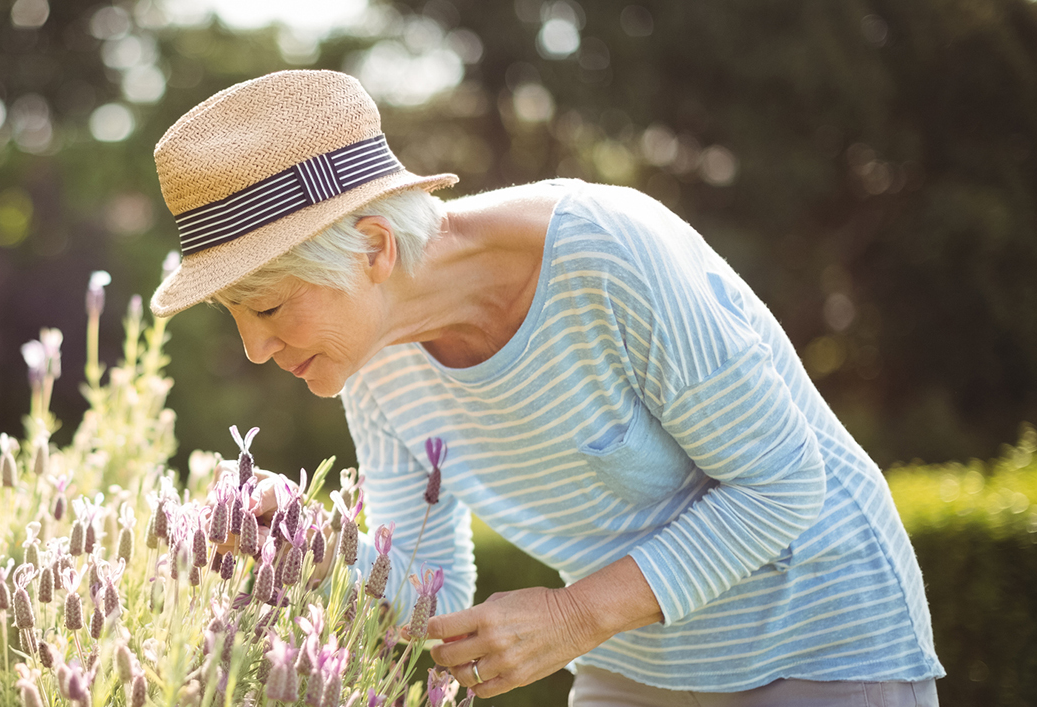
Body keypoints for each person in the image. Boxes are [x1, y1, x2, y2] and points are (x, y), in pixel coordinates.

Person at [148, 70, 944, 705]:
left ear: (374, 249)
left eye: (268, 306)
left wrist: (571, 615)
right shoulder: (376, 362)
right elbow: (429, 594)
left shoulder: (606, 255)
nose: (254, 348)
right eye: (235, 315)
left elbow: (782, 482)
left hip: (823, 644)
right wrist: (309, 545)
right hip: (635, 665)